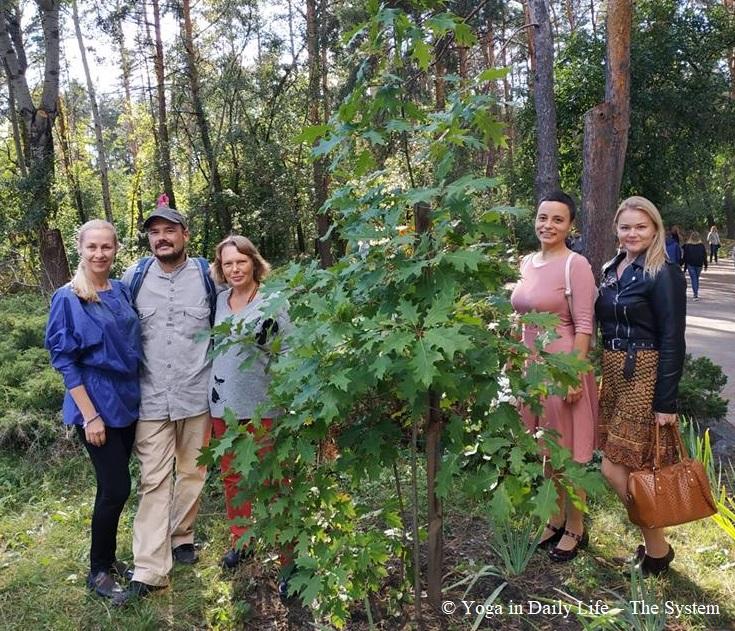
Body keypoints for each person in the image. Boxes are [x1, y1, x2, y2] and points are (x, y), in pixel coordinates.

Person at [119, 195, 217, 599]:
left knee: (193, 472)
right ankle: (149, 570)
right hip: (151, 397)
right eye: (154, 232)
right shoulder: (134, 277)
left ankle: (182, 536)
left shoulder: (208, 275)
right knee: (154, 480)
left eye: (169, 231)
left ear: (184, 235)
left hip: (198, 394)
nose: (161, 238)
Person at [45, 220, 141, 601]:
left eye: (106, 247)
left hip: (127, 398)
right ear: (80, 250)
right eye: (92, 247)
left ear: (116, 249)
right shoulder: (68, 298)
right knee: (117, 486)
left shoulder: (119, 291)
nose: (99, 254)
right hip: (95, 402)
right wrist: (90, 415)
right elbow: (65, 361)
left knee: (112, 487)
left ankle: (109, 558)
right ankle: (98, 571)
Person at [596, 196, 686, 576]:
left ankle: (659, 549)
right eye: (626, 227)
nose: (632, 233)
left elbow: (672, 338)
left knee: (614, 470)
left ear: (655, 229)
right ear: (616, 229)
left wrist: (665, 401)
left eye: (641, 227)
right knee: (631, 469)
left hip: (644, 372)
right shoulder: (612, 267)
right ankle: (656, 552)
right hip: (613, 371)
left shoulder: (663, 272)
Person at [510, 191, 598, 563]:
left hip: (562, 370)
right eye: (543, 217)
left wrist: (574, 376)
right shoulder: (526, 262)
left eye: (557, 220)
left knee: (567, 455)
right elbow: (521, 317)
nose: (548, 225)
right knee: (544, 451)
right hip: (531, 371)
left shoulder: (575, 265)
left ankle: (577, 526)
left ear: (570, 225)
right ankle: (554, 517)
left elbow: (583, 325)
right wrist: (513, 358)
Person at [207, 236, 292, 592]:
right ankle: (242, 541)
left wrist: (289, 399)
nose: (235, 269)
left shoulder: (273, 301)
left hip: (263, 408)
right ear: (220, 269)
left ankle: (290, 561)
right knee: (233, 480)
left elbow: (288, 349)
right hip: (222, 408)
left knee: (275, 484)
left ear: (254, 263)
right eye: (228, 264)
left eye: (241, 262)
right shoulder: (219, 302)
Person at [682, 231, 707, 301]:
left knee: (694, 279)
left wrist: (683, 266)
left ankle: (695, 294)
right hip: (699, 264)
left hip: (691, 264)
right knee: (696, 278)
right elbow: (704, 255)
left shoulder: (688, 246)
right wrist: (705, 264)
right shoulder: (701, 245)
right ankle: (695, 293)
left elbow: (685, 257)